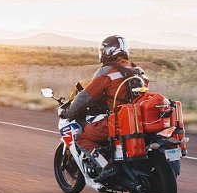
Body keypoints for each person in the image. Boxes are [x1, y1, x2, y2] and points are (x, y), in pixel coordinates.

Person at [59, 35, 147, 180]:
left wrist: (69, 112)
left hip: (118, 122)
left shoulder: (108, 72)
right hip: (138, 121)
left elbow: (85, 97)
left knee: (81, 138)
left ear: (108, 52)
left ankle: (106, 165)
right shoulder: (137, 70)